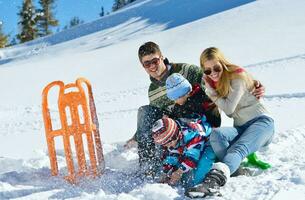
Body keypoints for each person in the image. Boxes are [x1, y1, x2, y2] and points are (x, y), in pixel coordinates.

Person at [127, 41, 264, 176]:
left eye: (155, 61)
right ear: (142, 66)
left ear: (162, 57)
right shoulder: (153, 91)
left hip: (202, 122)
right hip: (179, 128)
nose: (152, 66)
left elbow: (215, 77)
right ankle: (148, 168)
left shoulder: (186, 70)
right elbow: (152, 117)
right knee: (145, 111)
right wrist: (137, 136)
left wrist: (251, 84)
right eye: (147, 63)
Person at [186, 47, 275, 197]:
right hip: (241, 127)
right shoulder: (216, 83)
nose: (213, 73)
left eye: (216, 67)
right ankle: (234, 168)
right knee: (216, 135)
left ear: (223, 63)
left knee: (238, 149)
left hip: (262, 123)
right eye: (207, 71)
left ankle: (212, 182)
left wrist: (210, 92)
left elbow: (228, 108)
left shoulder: (237, 77)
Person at [151, 116, 229, 189]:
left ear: (175, 136)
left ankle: (204, 183)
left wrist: (180, 171)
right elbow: (172, 154)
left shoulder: (192, 133)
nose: (167, 146)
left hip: (208, 143)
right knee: (178, 168)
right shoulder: (174, 137)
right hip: (189, 147)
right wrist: (166, 171)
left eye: (168, 143)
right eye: (164, 144)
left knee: (197, 174)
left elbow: (192, 157)